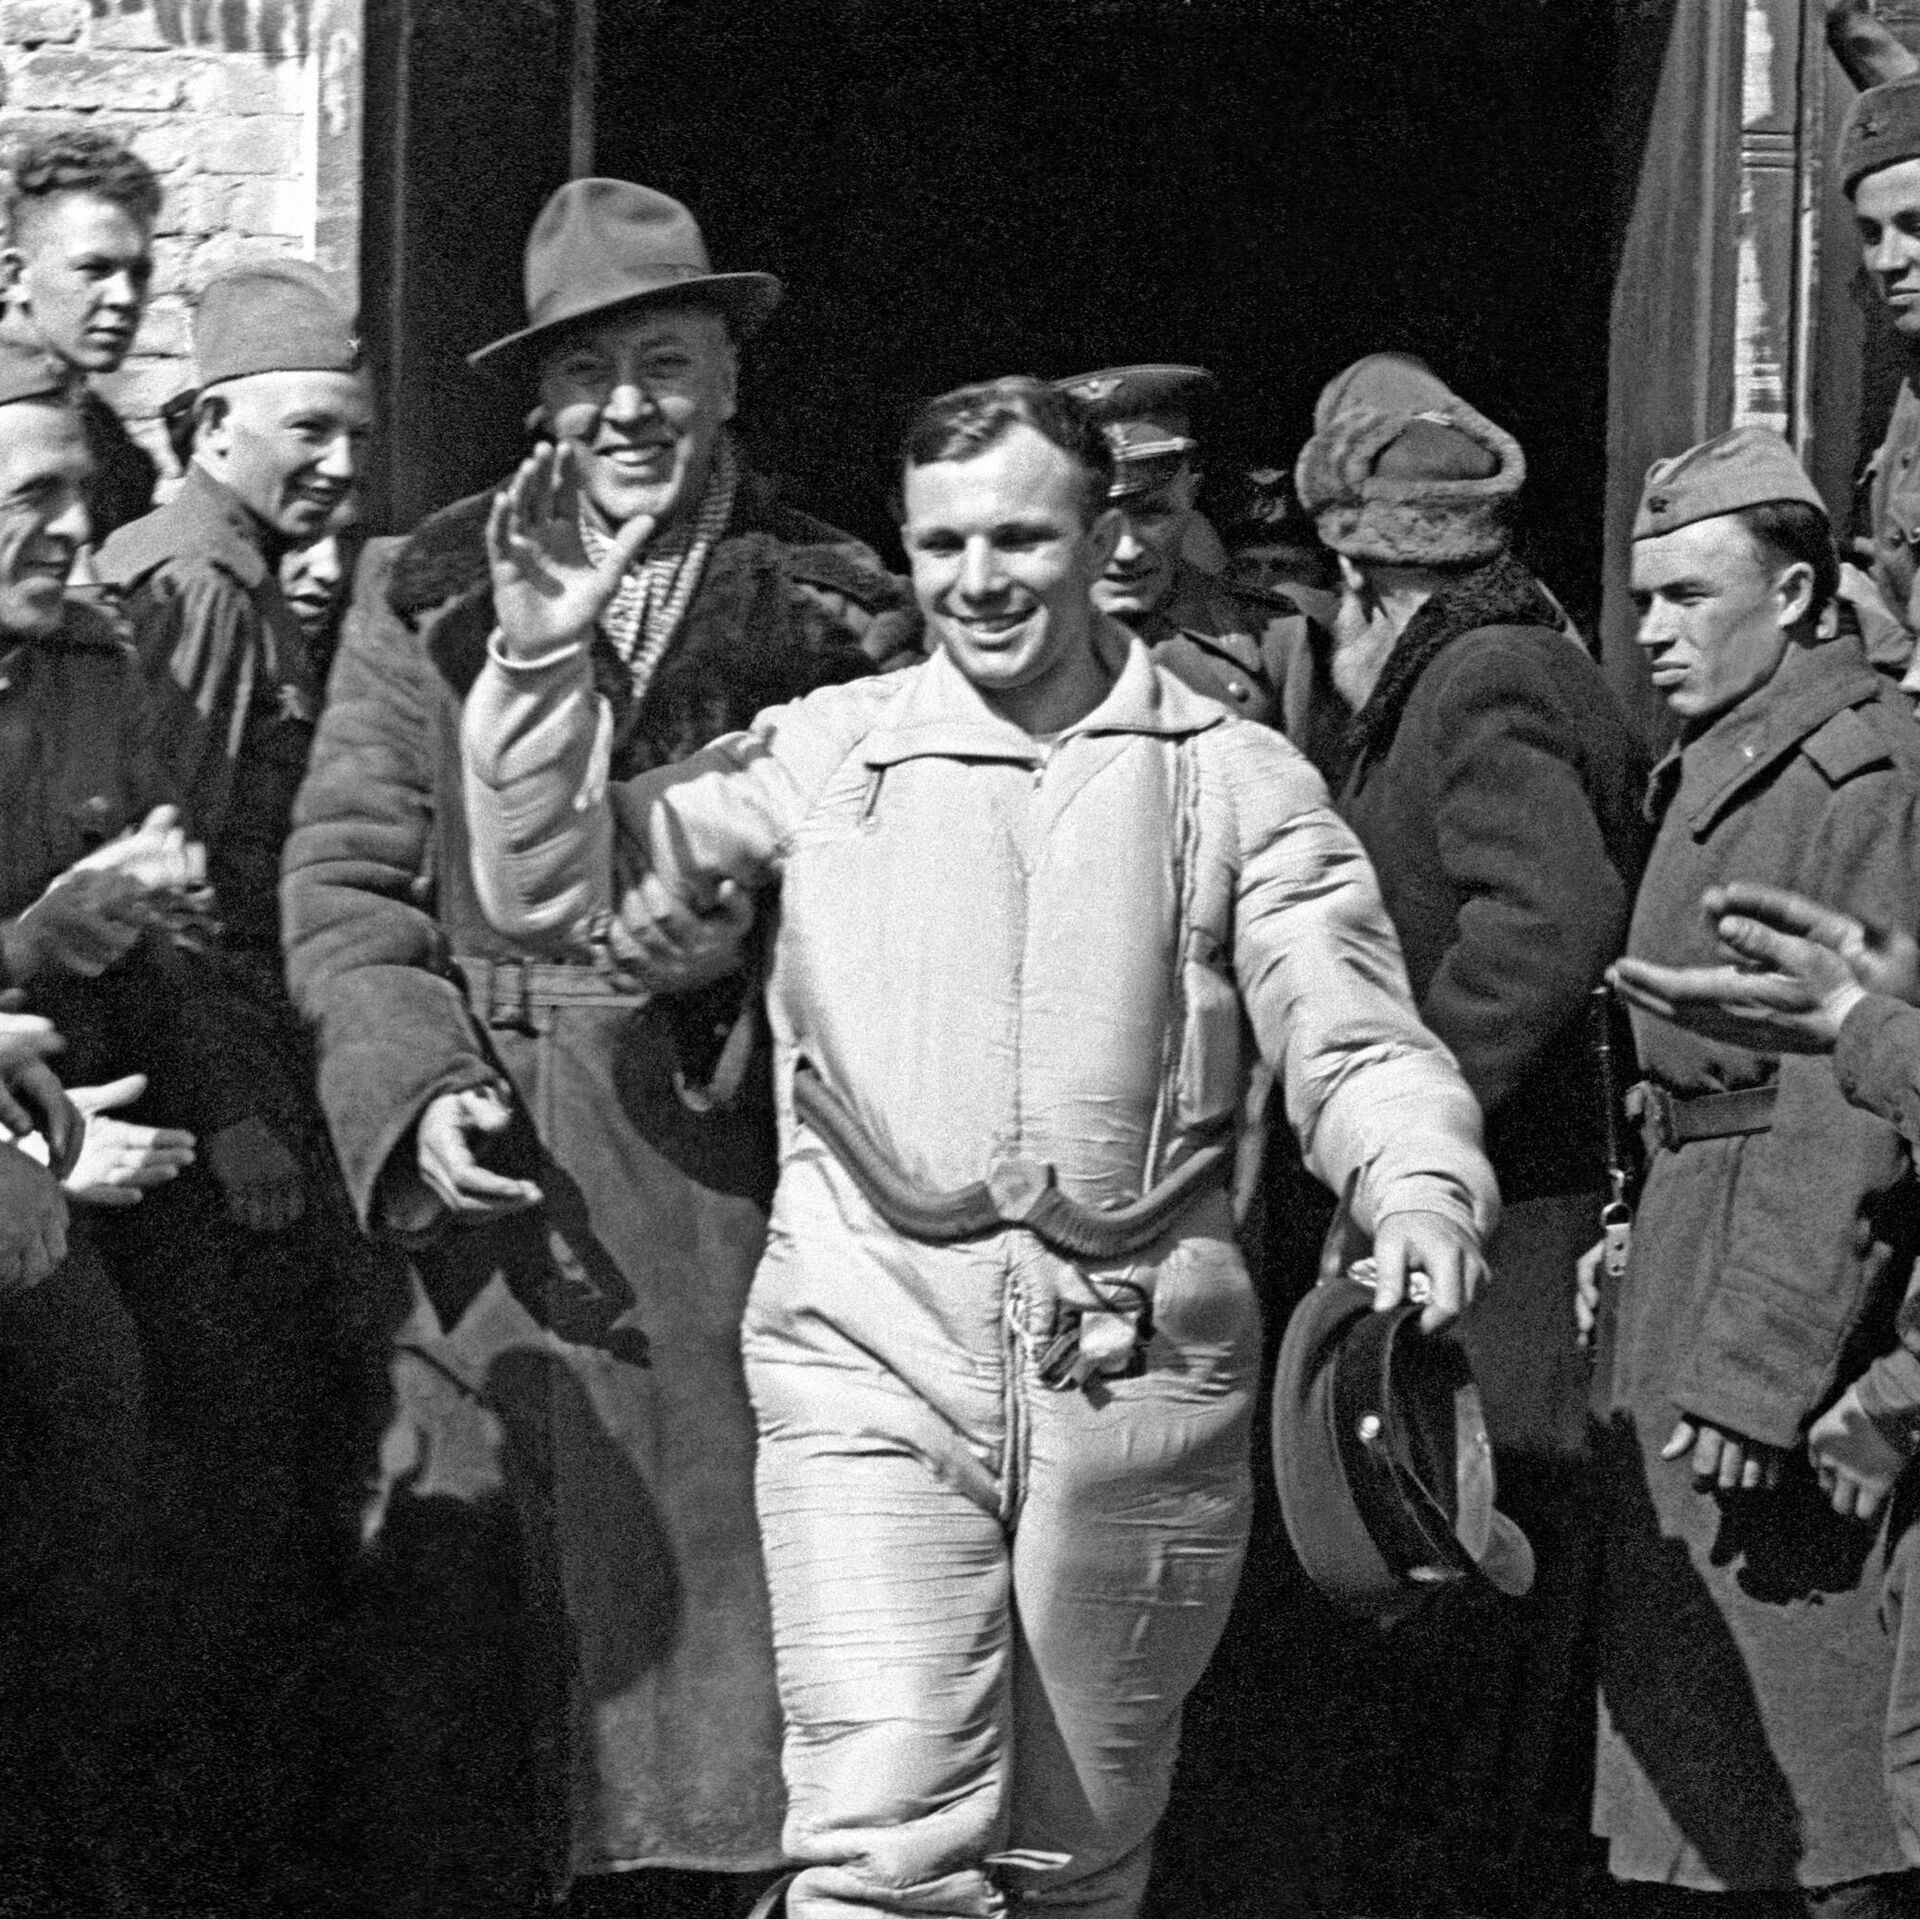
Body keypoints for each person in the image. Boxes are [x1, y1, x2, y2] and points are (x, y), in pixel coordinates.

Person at [456, 371, 1498, 1919]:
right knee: (882, 1839)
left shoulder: (1233, 777)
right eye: (943, 543)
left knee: (1077, 1851)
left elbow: (1351, 1029)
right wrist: (540, 661)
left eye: (1020, 537)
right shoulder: (825, 752)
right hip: (866, 1343)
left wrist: (1419, 1183)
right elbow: (553, 882)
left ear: (1103, 538)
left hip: (1141, 1370)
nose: (979, 578)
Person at [281, 178, 908, 1919]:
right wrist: (414, 1086)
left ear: (732, 375)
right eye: (585, 373)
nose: (626, 407)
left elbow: (904, 912)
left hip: (727, 1186)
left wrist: (738, 969)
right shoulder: (427, 584)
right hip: (493, 1204)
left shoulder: (841, 606)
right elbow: (345, 879)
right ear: (538, 401)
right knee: (485, 1658)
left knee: (722, 1674)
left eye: (666, 362)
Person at [1271, 353, 1650, 1919]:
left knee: (1476, 1562)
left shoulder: (1484, 676)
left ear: (1363, 578)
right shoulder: (1482, 661)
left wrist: (1413, 1109)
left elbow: (1547, 917)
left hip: (1508, 1215)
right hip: (1484, 1203)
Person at [1593, 425, 1920, 1915]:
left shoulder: (1861, 773)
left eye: (1689, 597)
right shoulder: (1729, 753)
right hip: (1694, 1240)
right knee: (1709, 1756)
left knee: (1800, 1757)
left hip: (1785, 1288)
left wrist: (1763, 1368)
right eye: (1642, 599)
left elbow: (1848, 1101)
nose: (1655, 632)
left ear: (1793, 597)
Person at [92, 260, 376, 1914]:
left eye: (354, 434)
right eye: (305, 430)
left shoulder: (239, 569)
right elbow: (162, 879)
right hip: (213, 1089)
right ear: (210, 427)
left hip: (239, 1064)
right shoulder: (196, 580)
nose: (338, 463)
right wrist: (236, 1110)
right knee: (228, 1468)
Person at [1052, 363, 1307, 724]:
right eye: (1098, 520)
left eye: (1152, 513)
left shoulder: (1276, 638)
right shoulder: (1008, 642)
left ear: (1191, 496)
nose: (1126, 550)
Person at [2, 127, 160, 542]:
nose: (126, 297)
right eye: (94, 269)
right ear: (17, 276)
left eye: (139, 273)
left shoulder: (103, 432)